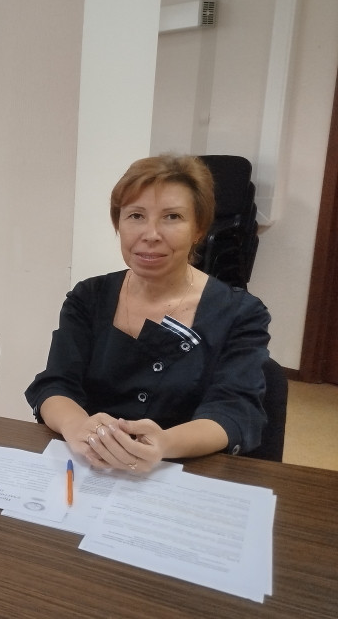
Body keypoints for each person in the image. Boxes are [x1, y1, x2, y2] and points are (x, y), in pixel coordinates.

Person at [25, 155, 271, 471]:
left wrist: (165, 444)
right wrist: (77, 427)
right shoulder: (89, 297)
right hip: (91, 467)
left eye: (172, 217)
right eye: (136, 216)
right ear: (118, 224)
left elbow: (234, 410)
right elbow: (56, 385)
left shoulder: (240, 313)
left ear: (198, 228)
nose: (151, 234)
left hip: (183, 471)